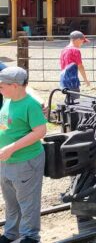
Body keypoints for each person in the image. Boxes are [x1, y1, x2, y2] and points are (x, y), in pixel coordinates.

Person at [0, 66, 46, 243]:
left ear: (15, 85)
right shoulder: (8, 101)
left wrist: (10, 148)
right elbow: (5, 126)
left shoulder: (30, 105)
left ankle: (30, 236)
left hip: (25, 161)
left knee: (27, 201)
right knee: (11, 201)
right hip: (6, 161)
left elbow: (40, 131)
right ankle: (11, 233)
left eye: (2, 85)